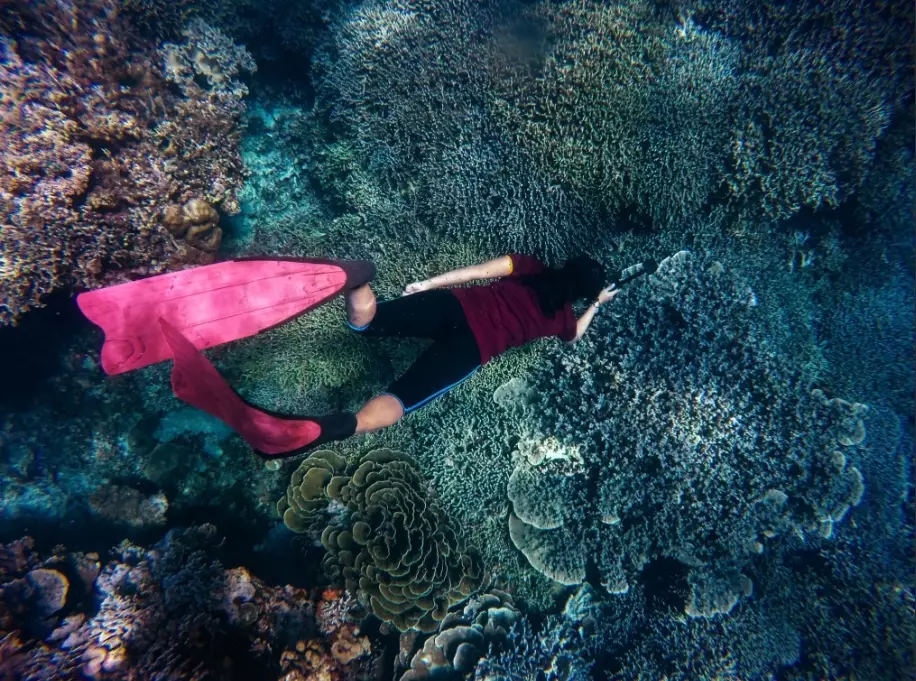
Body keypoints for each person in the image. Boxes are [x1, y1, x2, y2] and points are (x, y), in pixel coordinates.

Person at [328, 253, 619, 443]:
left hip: (453, 306)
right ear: (579, 295)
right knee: (403, 398)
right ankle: (352, 424)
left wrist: (427, 284)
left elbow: (478, 272)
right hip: (471, 348)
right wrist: (596, 303)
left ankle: (357, 280)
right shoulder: (563, 319)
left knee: (369, 321)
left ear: (566, 264)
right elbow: (574, 336)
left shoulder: (530, 266)